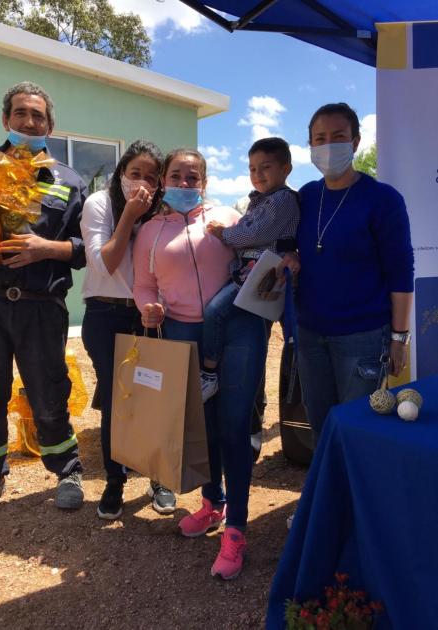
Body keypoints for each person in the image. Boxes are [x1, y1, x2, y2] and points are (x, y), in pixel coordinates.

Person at [133, 148, 267, 580]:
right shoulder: (149, 231)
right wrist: (147, 307)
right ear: (164, 181)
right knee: (203, 427)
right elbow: (142, 283)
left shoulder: (227, 218)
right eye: (177, 175)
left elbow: (256, 259)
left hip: (239, 331)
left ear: (205, 183)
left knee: (233, 427)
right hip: (181, 335)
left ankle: (237, 529)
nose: (185, 184)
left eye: (194, 178)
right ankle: (213, 504)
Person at [0, 81, 88, 513]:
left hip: (41, 306)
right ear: (6, 119)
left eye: (37, 115)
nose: (29, 121)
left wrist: (45, 248)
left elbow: (87, 247)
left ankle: (67, 469)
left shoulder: (69, 182)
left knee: (49, 392)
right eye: (21, 113)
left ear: (50, 125)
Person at [278, 102, 414, 443]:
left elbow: (401, 273)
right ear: (310, 146)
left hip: (364, 338)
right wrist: (291, 255)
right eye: (319, 138)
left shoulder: (383, 200)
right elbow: (291, 245)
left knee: (357, 430)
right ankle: (331, 494)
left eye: (338, 136)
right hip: (310, 334)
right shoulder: (306, 197)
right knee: (322, 428)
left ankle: (357, 496)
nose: (328, 146)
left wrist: (399, 339)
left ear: (355, 142)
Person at [81, 140, 178, 519]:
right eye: (134, 173)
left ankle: (160, 477)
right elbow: (104, 264)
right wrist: (128, 217)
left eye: (151, 178)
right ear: (121, 173)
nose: (142, 183)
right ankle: (114, 480)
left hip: (149, 316)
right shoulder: (100, 205)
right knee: (117, 403)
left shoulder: (162, 214)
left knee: (154, 397)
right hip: (105, 316)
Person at [201, 137, 299, 402]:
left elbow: (253, 233)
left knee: (214, 311)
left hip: (261, 277)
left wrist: (223, 233)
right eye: (252, 169)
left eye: (265, 167)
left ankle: (208, 373)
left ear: (286, 169)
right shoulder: (260, 201)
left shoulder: (283, 200)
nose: (257, 174)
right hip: (249, 275)